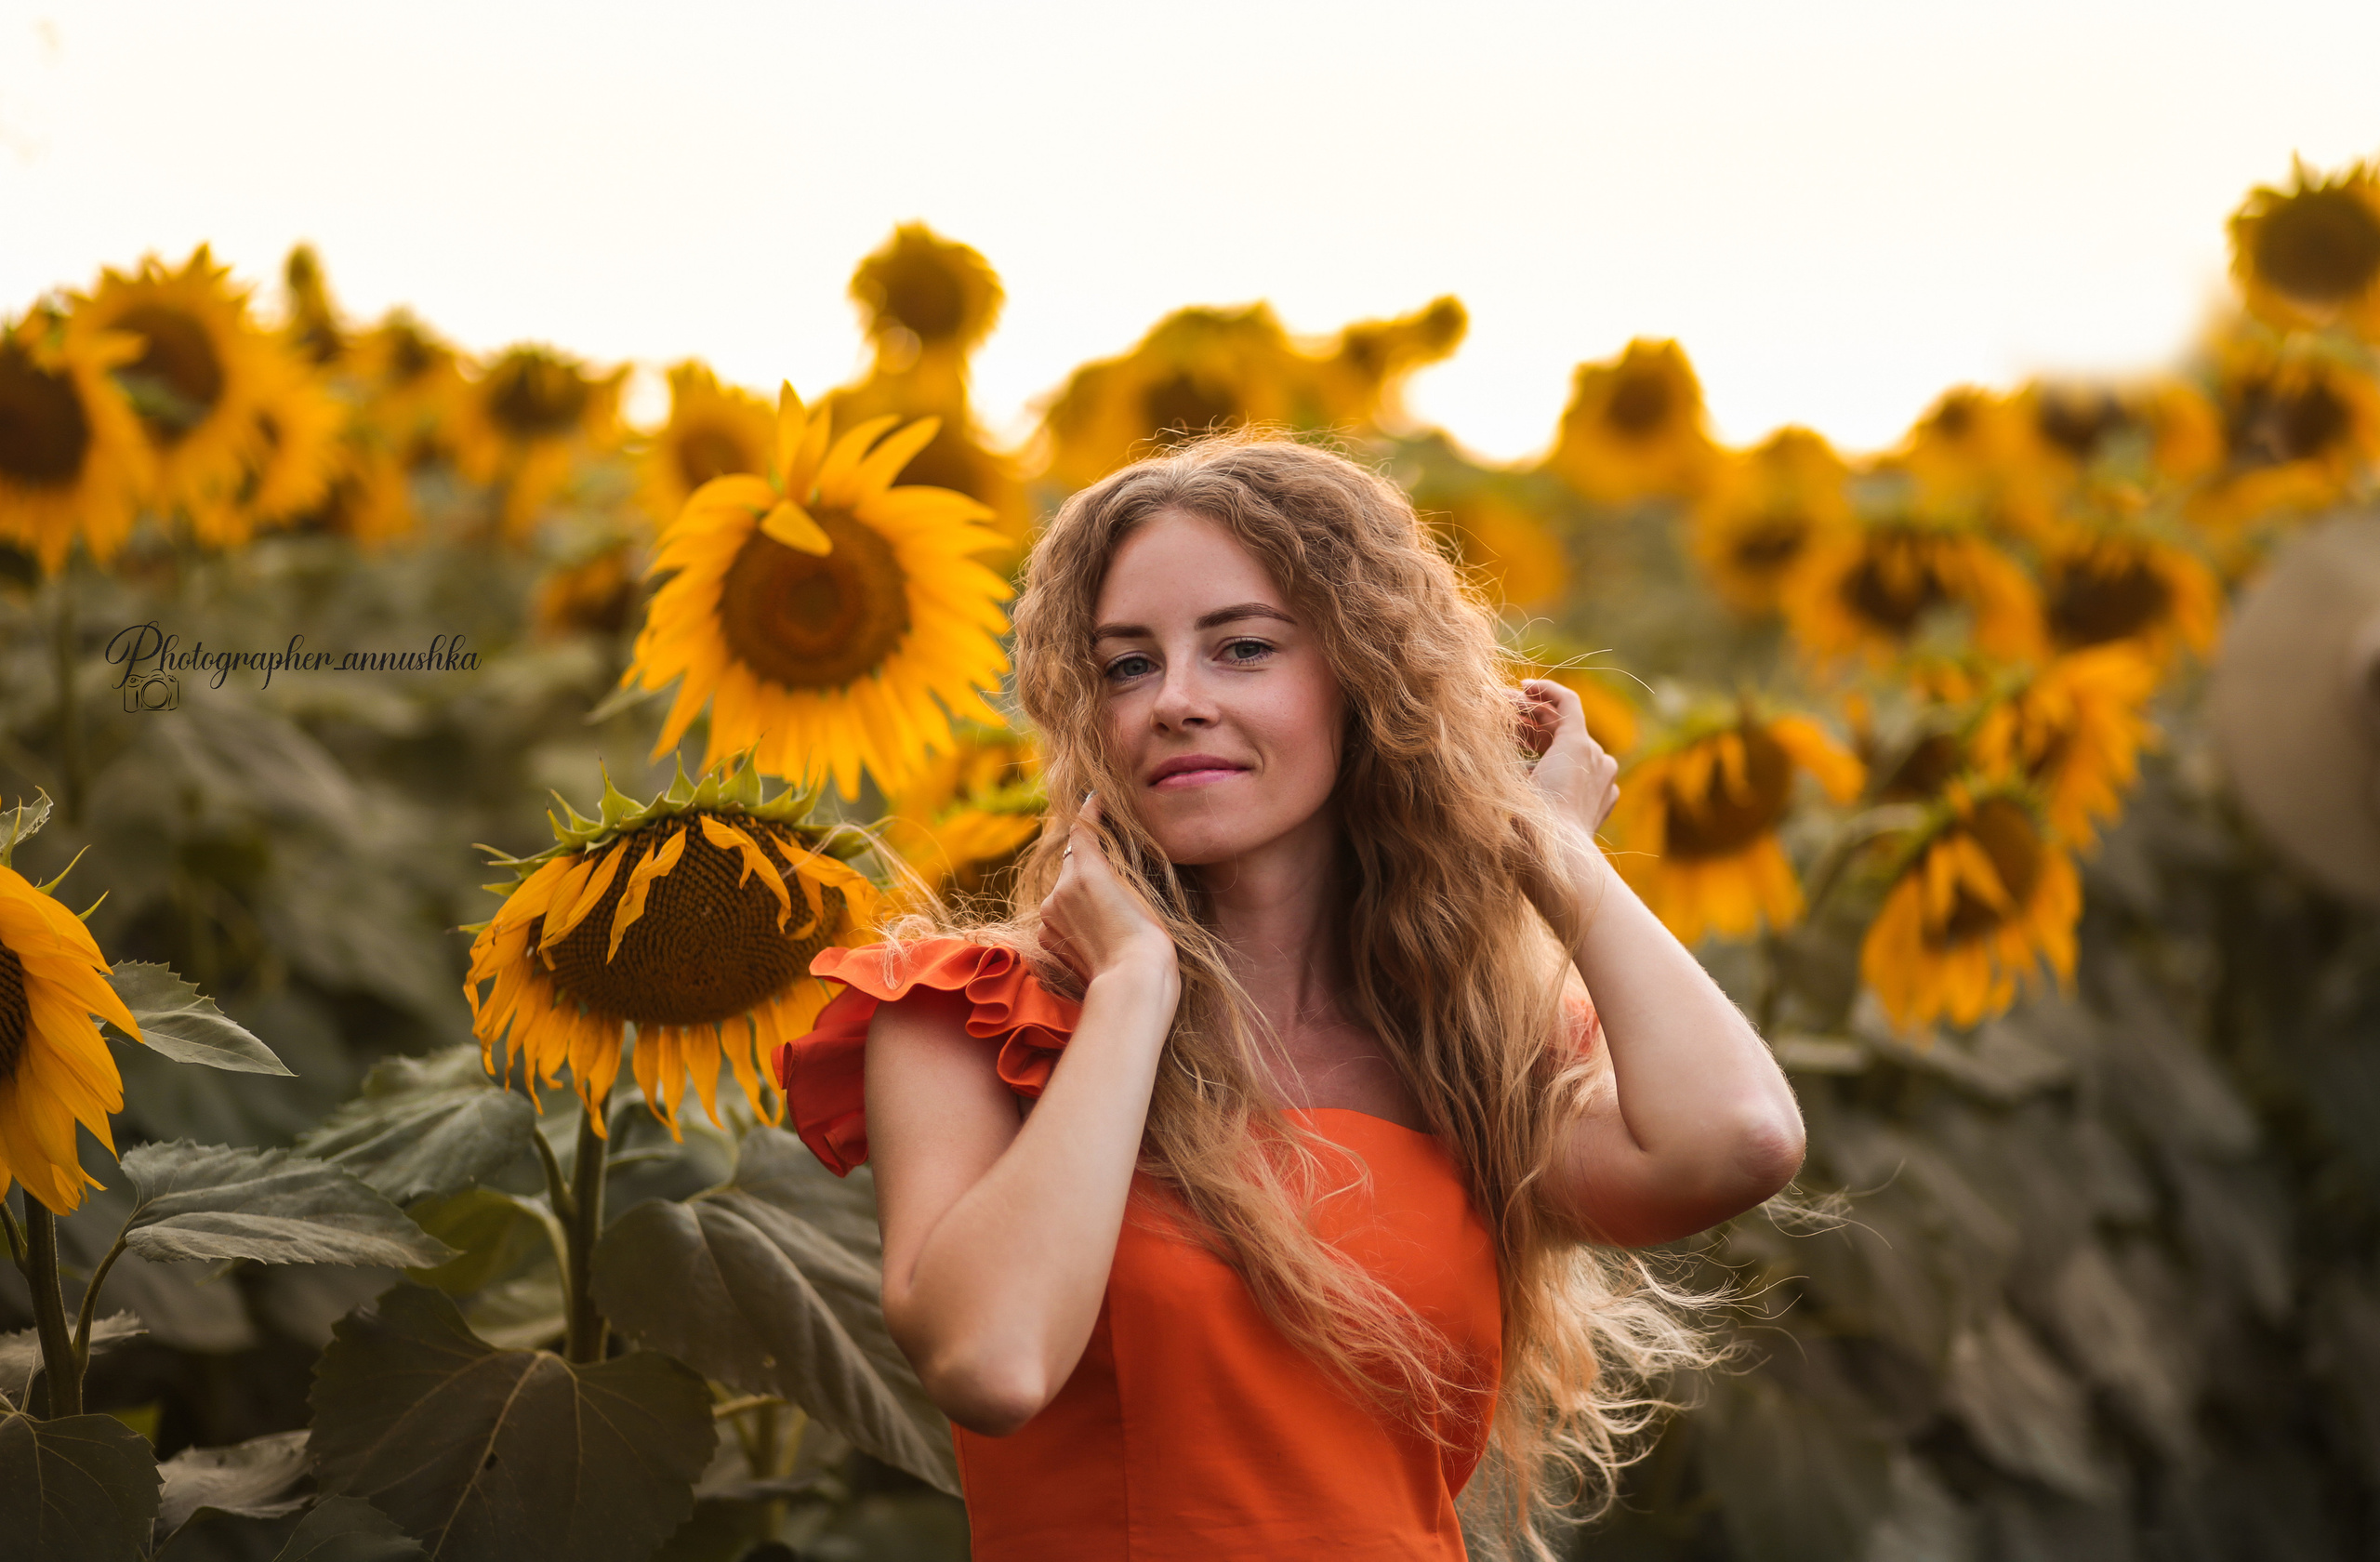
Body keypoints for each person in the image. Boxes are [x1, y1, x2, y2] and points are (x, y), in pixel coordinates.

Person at [772, 430, 1807, 1560]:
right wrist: (1131, 992)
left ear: (1362, 680)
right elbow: (993, 1362)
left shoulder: (1461, 1046)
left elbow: (1738, 1141)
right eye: (1126, 665)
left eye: (1242, 649)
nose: (1173, 700)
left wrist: (1549, 849)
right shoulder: (975, 1015)